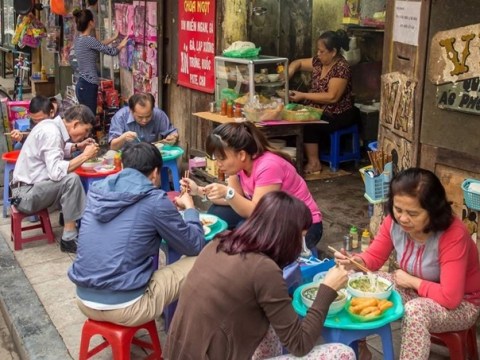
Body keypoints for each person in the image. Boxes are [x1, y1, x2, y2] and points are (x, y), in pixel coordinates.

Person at [166, 191, 353, 359]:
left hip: (180, 352)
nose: (301, 245)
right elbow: (300, 344)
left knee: (271, 327)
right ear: (286, 235)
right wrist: (327, 289)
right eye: (301, 237)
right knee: (343, 353)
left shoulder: (219, 241)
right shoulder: (264, 269)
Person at [334, 168, 480, 360]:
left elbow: (450, 297)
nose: (402, 218)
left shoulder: (453, 235)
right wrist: (355, 262)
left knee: (416, 312)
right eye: (398, 209)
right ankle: (359, 349)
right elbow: (375, 257)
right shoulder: (394, 222)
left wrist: (412, 281)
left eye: (412, 213)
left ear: (433, 211)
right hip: (415, 291)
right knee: (355, 280)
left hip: (461, 304)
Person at [68, 142, 205, 327]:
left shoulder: (97, 192)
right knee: (204, 259)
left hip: (83, 300)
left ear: (123, 166)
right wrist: (190, 209)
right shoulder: (154, 199)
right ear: (156, 173)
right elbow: (194, 245)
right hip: (127, 307)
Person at [181, 121, 323, 250]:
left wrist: (228, 193)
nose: (218, 163)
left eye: (221, 158)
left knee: (244, 231)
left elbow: (255, 211)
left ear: (241, 155)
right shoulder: (238, 167)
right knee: (217, 212)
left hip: (300, 225)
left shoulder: (268, 166)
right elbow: (233, 200)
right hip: (270, 217)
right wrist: (198, 191)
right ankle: (215, 251)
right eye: (216, 158)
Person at [11, 105, 99, 253]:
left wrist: (78, 146)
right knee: (71, 179)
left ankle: (66, 217)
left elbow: (55, 150)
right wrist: (85, 156)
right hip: (25, 196)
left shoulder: (51, 126)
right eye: (86, 130)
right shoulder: (52, 133)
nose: (86, 135)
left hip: (24, 190)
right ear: (76, 123)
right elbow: (56, 173)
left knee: (69, 176)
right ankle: (69, 238)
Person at [288, 29, 357, 174]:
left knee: (307, 123)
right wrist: (288, 73)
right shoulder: (319, 63)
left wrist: (304, 96)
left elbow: (332, 97)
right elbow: (298, 63)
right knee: (291, 113)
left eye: (322, 51)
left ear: (333, 52)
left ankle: (314, 163)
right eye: (317, 51)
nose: (318, 54)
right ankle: (300, 158)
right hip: (319, 108)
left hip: (338, 113)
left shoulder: (341, 68)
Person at [73, 9, 128, 116]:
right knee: (89, 118)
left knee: (85, 117)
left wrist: (113, 38)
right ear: (90, 22)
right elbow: (112, 52)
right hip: (88, 85)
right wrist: (122, 44)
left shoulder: (79, 39)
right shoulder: (89, 40)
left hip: (82, 84)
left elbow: (98, 45)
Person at [10, 95, 92, 152]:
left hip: (72, 142)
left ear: (52, 113)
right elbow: (33, 135)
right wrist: (21, 137)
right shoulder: (38, 116)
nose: (39, 124)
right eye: (35, 120)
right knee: (19, 146)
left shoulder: (68, 109)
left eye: (41, 120)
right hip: (51, 146)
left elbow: (82, 129)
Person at [109, 92, 178, 150]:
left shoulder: (158, 114)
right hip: (127, 156)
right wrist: (123, 138)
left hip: (150, 154)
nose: (144, 120)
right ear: (131, 111)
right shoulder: (120, 117)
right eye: (140, 117)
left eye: (148, 116)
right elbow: (113, 147)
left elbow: (172, 132)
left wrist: (172, 137)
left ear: (152, 109)